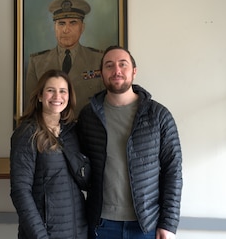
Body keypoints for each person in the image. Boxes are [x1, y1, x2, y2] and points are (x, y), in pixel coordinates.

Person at [77, 46, 183, 239]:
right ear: (101, 73)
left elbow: (173, 170)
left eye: (122, 64)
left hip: (145, 225)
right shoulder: (88, 116)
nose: (116, 70)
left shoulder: (159, 116)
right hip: (100, 224)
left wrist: (168, 223)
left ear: (134, 71)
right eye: (109, 65)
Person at [10, 69, 90, 239]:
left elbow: (85, 180)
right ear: (40, 96)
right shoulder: (28, 133)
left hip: (78, 230)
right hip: (45, 233)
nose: (57, 96)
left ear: (69, 97)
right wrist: (39, 235)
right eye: (50, 90)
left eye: (63, 91)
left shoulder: (72, 132)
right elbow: (20, 191)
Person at [25, 0, 105, 116]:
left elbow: (105, 102)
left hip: (87, 130)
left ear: (82, 27)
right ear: (54, 28)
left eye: (73, 23)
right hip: (50, 130)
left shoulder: (99, 59)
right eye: (61, 24)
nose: (66, 30)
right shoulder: (37, 62)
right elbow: (31, 105)